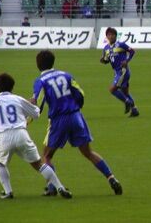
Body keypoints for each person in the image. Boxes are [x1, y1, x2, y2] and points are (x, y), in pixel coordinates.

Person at [31, 50, 123, 196]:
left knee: (47, 156)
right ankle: (111, 177)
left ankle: (52, 187)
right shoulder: (66, 75)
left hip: (58, 119)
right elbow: (80, 93)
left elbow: (38, 103)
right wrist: (76, 107)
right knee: (88, 152)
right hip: (75, 116)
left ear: (38, 64)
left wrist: (29, 119)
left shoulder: (40, 81)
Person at [0, 73, 72, 199]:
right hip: (21, 134)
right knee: (38, 164)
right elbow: (36, 114)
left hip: (3, 137)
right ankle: (60, 186)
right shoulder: (18, 99)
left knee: (1, 164)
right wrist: (31, 104)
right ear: (12, 87)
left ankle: (8, 192)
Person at [100, 27, 139, 117]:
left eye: (112, 35)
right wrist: (103, 61)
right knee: (125, 92)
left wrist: (127, 60)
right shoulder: (106, 48)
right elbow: (106, 60)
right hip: (117, 72)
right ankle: (134, 110)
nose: (110, 36)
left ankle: (127, 102)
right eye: (108, 35)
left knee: (112, 89)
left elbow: (132, 51)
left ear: (115, 36)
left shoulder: (121, 45)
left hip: (123, 71)